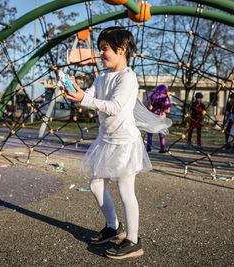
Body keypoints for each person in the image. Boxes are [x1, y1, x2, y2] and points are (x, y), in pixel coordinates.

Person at [64, 27, 170, 259]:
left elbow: (115, 106)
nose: (101, 53)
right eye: (100, 48)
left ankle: (133, 240)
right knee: (95, 184)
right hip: (106, 141)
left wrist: (86, 98)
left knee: (125, 190)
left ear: (121, 50)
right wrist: (74, 92)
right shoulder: (102, 77)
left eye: (105, 49)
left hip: (124, 142)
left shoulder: (128, 77)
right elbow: (88, 98)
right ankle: (113, 227)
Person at [144, 84, 171, 153]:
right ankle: (162, 148)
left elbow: (146, 104)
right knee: (161, 132)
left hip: (152, 115)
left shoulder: (152, 96)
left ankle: (148, 147)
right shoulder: (166, 98)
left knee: (150, 132)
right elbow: (167, 110)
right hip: (161, 116)